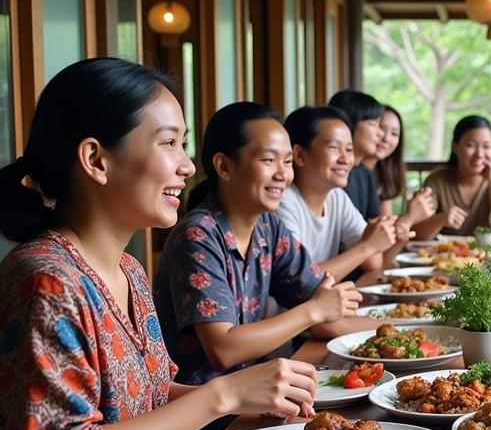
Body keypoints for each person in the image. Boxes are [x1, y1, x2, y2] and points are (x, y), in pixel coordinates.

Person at [0, 59, 318, 430]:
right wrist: (221, 393)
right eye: (169, 143)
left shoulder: (125, 268)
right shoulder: (44, 280)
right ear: (96, 160)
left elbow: (145, 393)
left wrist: (243, 400)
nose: (187, 166)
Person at [153, 101, 362, 392]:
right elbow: (223, 348)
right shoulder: (197, 235)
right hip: (203, 416)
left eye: (287, 161)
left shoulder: (268, 227)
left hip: (258, 394)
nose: (283, 174)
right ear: (224, 166)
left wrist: (418, 331)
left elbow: (327, 307)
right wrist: (313, 311)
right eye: (268, 160)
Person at [278, 105, 398, 279]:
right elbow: (300, 281)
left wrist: (373, 239)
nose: (345, 159)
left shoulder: (336, 197)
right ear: (299, 156)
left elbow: (373, 262)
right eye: (334, 148)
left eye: (349, 149)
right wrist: (367, 246)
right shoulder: (284, 203)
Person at [413, 115, 491, 238]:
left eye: (486, 146)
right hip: (446, 255)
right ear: (455, 147)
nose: (479, 154)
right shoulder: (437, 180)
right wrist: (441, 219)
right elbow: (417, 235)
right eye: (470, 145)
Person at [328, 88, 385, 220]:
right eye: (372, 124)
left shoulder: (365, 173)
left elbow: (372, 226)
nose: (380, 133)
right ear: (347, 124)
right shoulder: (332, 176)